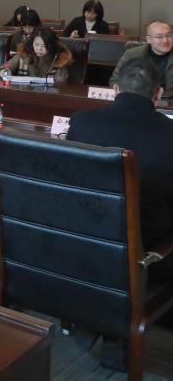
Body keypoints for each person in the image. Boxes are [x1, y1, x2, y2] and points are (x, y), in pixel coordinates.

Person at [67, 59, 173, 370]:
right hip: (146, 256)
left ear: (115, 89)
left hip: (81, 245)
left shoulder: (82, 122)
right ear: (158, 94)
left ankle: (98, 322)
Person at [110, 20, 173, 93]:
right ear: (148, 39)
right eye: (159, 37)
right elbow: (115, 80)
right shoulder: (132, 54)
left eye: (169, 35)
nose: (165, 40)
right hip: (138, 97)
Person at [0, 27, 71, 83]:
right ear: (32, 43)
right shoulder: (24, 53)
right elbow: (3, 68)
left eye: (44, 46)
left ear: (51, 46)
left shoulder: (59, 59)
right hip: (24, 92)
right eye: (36, 44)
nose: (39, 49)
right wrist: (6, 73)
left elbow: (60, 84)